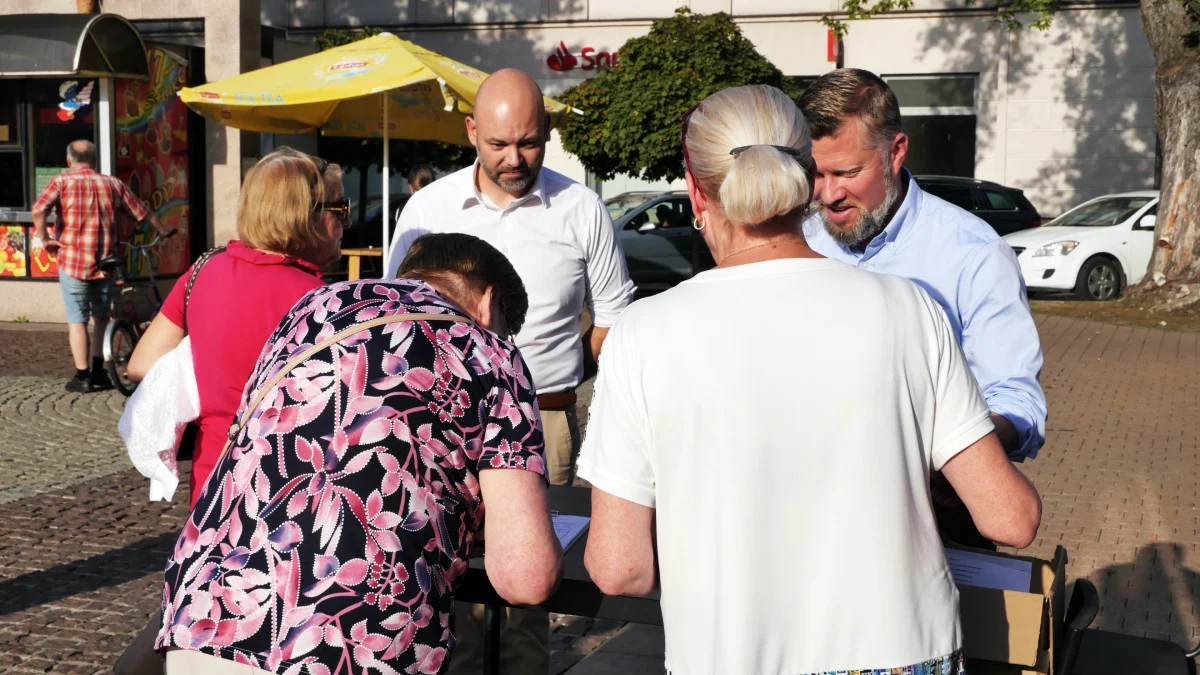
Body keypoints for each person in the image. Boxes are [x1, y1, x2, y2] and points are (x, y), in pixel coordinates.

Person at [578, 85, 1042, 675]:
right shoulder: (909, 307)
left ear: (696, 191)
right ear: (805, 177)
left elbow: (620, 568)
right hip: (902, 648)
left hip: (730, 654)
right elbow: (1012, 518)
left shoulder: (643, 333)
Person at [155, 232, 563, 675]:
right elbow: (526, 578)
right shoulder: (490, 350)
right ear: (489, 302)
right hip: (356, 643)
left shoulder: (316, 306)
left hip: (211, 616)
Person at [384, 68, 635, 674]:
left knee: (528, 594)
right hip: (439, 429)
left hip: (542, 422)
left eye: (528, 142)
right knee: (452, 586)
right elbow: (394, 312)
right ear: (471, 131)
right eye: (499, 145)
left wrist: (588, 400)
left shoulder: (580, 208)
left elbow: (616, 319)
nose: (515, 158)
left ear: (546, 130)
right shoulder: (429, 206)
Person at [796, 69, 1048, 548]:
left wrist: (950, 454)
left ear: (896, 151)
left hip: (935, 523)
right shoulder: (799, 242)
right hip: (814, 517)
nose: (828, 195)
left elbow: (1016, 401)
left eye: (848, 173)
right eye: (816, 174)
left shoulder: (972, 253)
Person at [126, 147, 347, 507]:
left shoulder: (202, 272)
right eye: (340, 209)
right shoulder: (323, 301)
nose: (346, 223)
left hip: (213, 480)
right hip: (290, 489)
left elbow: (140, 365)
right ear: (301, 214)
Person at [31, 139, 174, 393]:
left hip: (73, 262)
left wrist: (44, 238)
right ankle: (99, 370)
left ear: (69, 160)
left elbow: (39, 209)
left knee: (77, 321)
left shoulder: (62, 182)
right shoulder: (113, 184)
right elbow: (142, 212)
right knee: (102, 318)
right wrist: (163, 230)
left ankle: (82, 376)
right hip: (106, 264)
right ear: (95, 160)